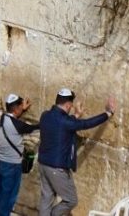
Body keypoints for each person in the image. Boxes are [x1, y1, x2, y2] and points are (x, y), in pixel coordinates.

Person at [37, 88, 116, 216]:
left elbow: (64, 123)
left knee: (46, 199)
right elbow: (86, 124)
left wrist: (76, 115)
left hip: (43, 164)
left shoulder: (45, 115)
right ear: (68, 104)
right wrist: (108, 113)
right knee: (71, 200)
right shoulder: (66, 122)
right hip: (57, 168)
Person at [0, 93, 39, 216]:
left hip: (1, 161)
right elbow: (32, 128)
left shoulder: (1, 118)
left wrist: (22, 109)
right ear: (16, 108)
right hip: (12, 165)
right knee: (9, 195)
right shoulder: (18, 125)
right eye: (20, 106)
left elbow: (14, 121)